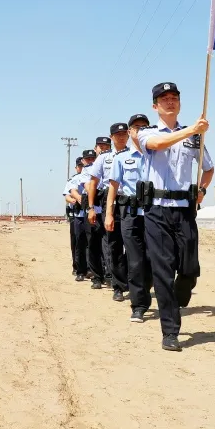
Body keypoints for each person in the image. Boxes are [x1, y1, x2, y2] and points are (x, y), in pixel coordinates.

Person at [137, 82, 214, 352]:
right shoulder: (145, 133)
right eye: (164, 98)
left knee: (190, 267)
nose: (170, 102)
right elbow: (157, 144)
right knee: (163, 270)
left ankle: (182, 293)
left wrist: (202, 189)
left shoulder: (194, 137)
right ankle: (170, 330)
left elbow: (208, 167)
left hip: (184, 209)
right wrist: (192, 129)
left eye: (174, 98)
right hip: (156, 209)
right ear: (155, 106)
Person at [106, 113, 152, 322]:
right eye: (136, 127)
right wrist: (109, 214)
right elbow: (113, 189)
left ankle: (150, 289)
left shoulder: (157, 155)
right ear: (130, 131)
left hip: (153, 214)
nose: (140, 131)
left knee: (153, 259)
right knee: (135, 260)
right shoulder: (121, 159)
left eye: (145, 127)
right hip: (130, 215)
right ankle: (139, 305)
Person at [95, 123, 130, 302]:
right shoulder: (104, 158)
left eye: (124, 134)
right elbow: (94, 181)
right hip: (110, 203)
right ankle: (118, 286)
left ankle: (129, 279)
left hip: (130, 203)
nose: (121, 137)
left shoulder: (136, 155)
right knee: (114, 244)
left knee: (132, 246)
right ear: (111, 137)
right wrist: (92, 207)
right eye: (118, 135)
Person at [83, 136, 112, 289]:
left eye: (106, 146)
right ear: (96, 149)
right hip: (95, 205)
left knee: (108, 243)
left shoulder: (115, 161)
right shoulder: (88, 169)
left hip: (108, 205)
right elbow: (88, 187)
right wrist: (91, 207)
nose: (103, 149)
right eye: (100, 146)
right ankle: (96, 276)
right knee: (93, 243)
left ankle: (109, 275)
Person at [69, 150, 97, 282]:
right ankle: (80, 270)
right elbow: (71, 192)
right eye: (87, 159)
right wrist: (80, 199)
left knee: (92, 243)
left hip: (93, 213)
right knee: (79, 242)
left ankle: (93, 270)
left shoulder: (99, 173)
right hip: (80, 215)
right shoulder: (76, 178)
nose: (90, 161)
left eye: (93, 158)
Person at [63, 157, 86, 277]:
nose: (81, 168)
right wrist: (74, 200)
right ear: (76, 167)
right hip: (76, 214)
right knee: (76, 242)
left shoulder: (91, 177)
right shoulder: (73, 180)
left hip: (88, 214)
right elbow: (67, 195)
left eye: (83, 165)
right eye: (79, 166)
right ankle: (77, 267)